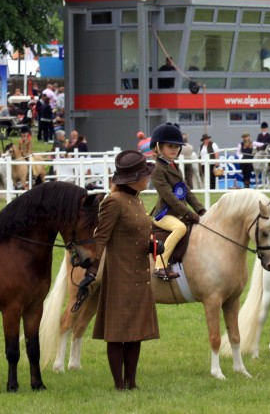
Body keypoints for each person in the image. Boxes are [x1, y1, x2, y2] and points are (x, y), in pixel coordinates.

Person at [83, 150, 159, 390]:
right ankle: (119, 383)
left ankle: (132, 381)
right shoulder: (113, 202)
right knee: (117, 332)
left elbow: (136, 234)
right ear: (132, 178)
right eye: (145, 175)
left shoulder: (137, 199)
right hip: (120, 275)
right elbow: (101, 239)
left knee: (136, 331)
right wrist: (92, 272)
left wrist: (152, 246)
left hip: (139, 273)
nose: (148, 178)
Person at [149, 124, 206, 279]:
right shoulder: (158, 170)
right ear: (159, 147)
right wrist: (188, 213)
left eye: (176, 147)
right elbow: (169, 196)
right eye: (170, 146)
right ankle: (160, 265)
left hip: (177, 213)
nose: (174, 149)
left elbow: (185, 190)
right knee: (180, 228)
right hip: (164, 215)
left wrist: (200, 209)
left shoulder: (174, 166)